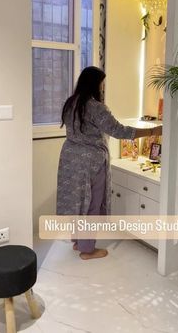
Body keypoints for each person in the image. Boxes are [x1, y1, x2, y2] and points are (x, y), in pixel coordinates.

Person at [56, 66, 162, 260]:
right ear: (95, 84)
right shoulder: (96, 107)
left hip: (70, 159)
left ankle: (78, 241)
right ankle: (87, 250)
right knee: (92, 204)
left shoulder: (71, 103)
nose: (103, 88)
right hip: (91, 163)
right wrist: (153, 131)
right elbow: (119, 131)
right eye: (102, 84)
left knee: (77, 202)